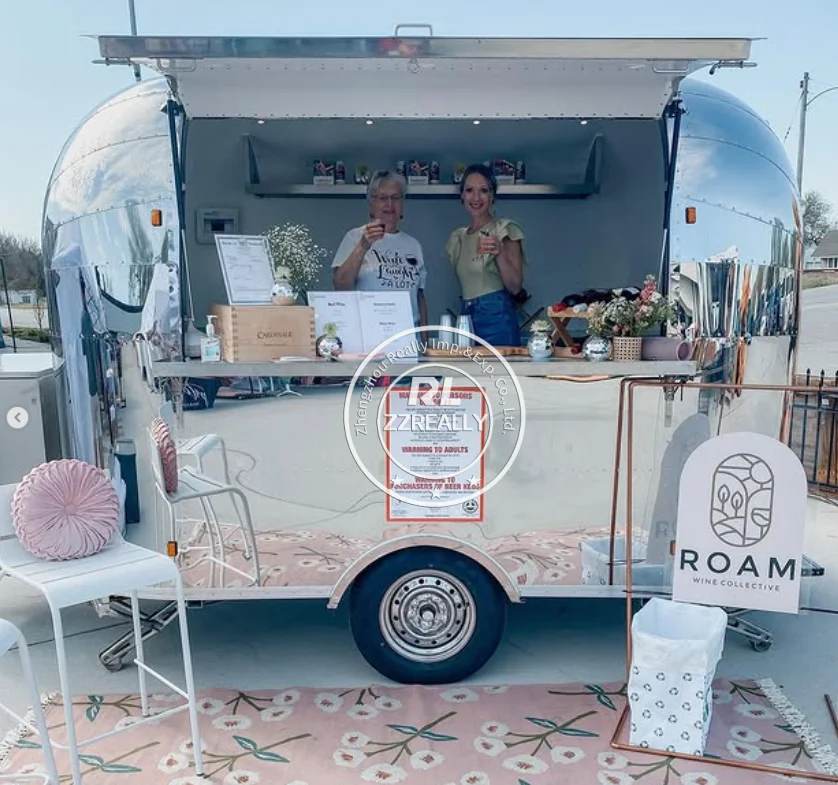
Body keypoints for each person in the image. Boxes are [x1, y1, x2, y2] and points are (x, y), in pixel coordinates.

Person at [332, 170, 428, 327]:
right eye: (383, 198)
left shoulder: (413, 245)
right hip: (369, 336)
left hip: (408, 340)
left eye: (395, 198)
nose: (389, 204)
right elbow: (340, 285)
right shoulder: (355, 237)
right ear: (371, 204)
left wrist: (424, 345)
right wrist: (363, 246)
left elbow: (419, 298)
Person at [445, 163, 525, 347]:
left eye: (483, 190)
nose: (476, 197)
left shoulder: (504, 229)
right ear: (462, 195)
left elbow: (515, 287)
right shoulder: (457, 238)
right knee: (468, 375)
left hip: (497, 318)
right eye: (470, 190)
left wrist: (499, 254)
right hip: (465, 317)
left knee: (499, 375)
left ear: (492, 196)